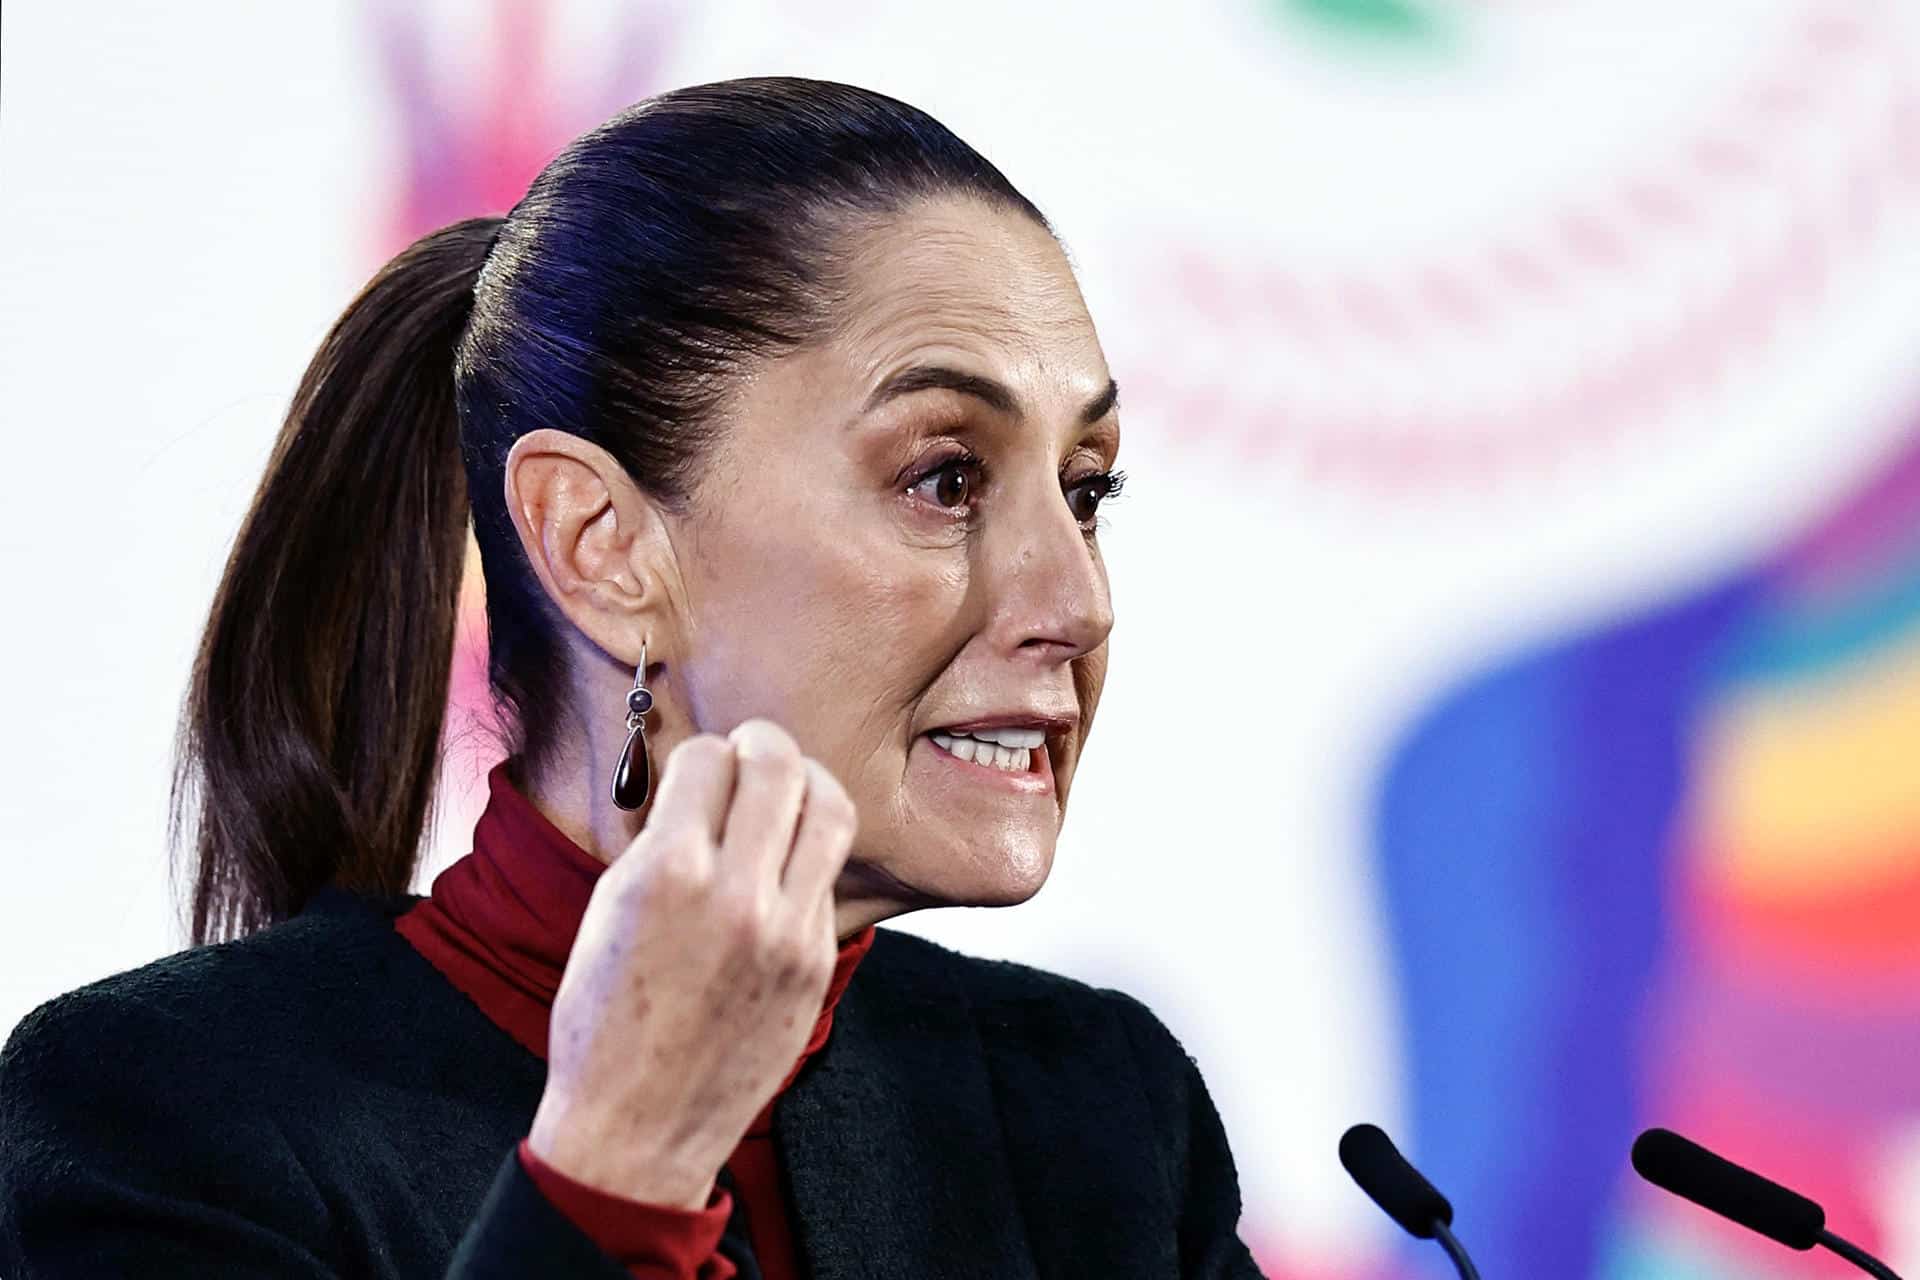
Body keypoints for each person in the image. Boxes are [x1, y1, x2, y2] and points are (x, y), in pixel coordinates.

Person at [0, 76, 1264, 1278]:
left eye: (1086, 491)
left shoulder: (1099, 1109)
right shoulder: (161, 1108)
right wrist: (621, 1174)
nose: (1077, 602)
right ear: (600, 547)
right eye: (945, 478)